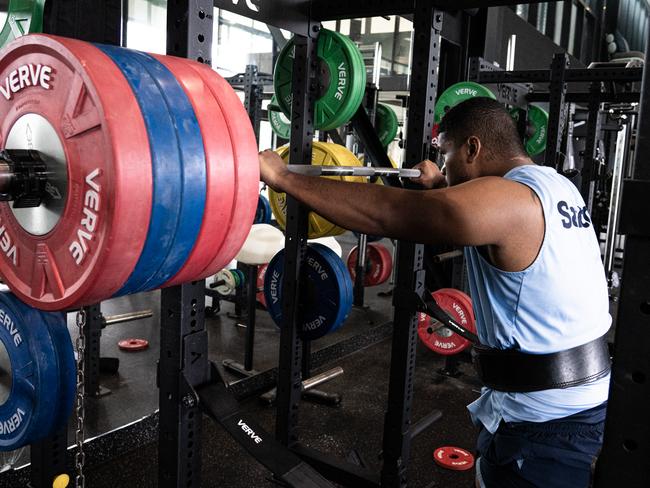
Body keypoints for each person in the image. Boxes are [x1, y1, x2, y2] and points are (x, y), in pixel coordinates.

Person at [258, 97, 611, 488]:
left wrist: (284, 178)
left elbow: (389, 214)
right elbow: (487, 210)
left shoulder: (510, 200)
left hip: (545, 426)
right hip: (579, 406)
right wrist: (443, 183)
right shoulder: (555, 186)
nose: (442, 165)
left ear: (472, 149)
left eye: (446, 155)